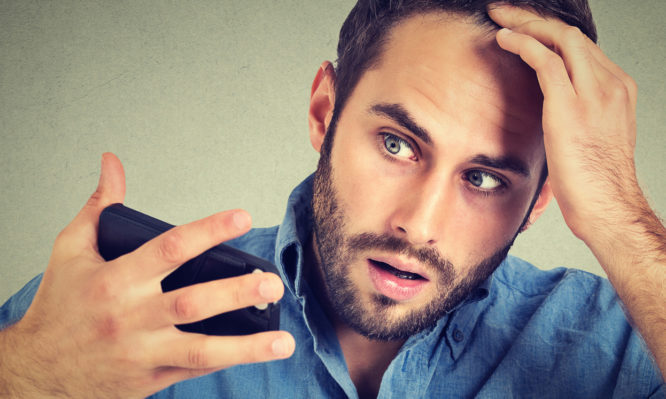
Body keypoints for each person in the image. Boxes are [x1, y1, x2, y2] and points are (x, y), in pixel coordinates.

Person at [1, 0, 664, 397]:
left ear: (541, 197)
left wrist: (620, 216)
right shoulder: (107, 315)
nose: (419, 225)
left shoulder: (615, 344)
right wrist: (26, 376)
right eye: (398, 144)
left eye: (484, 178)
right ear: (324, 112)